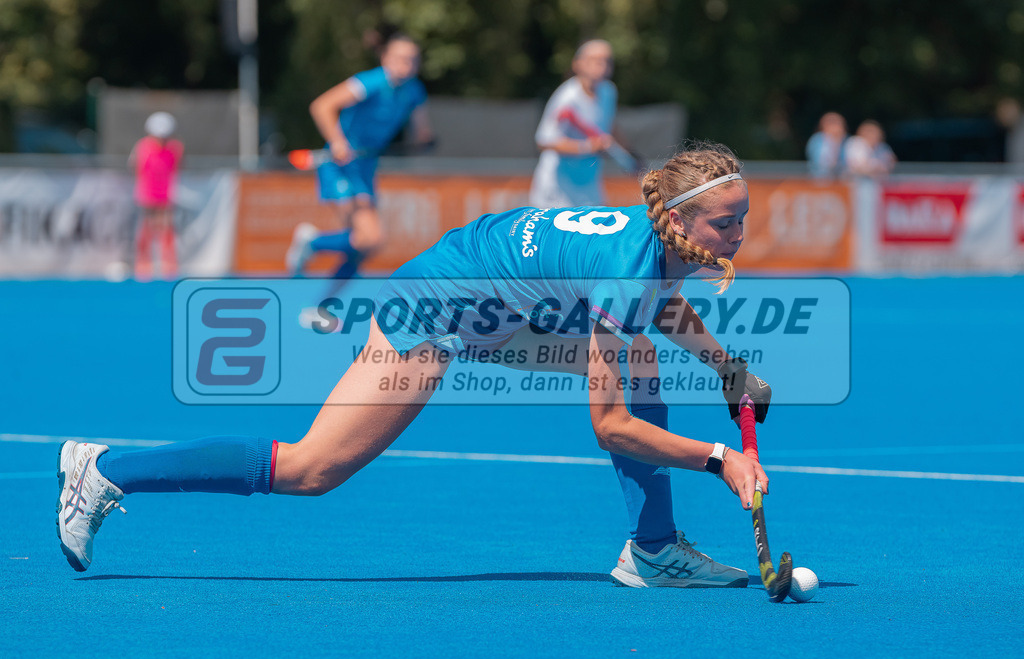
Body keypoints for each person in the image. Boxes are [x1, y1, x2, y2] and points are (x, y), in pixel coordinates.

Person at [57, 140, 773, 588]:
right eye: (725, 222)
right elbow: (611, 426)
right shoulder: (629, 266)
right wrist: (721, 459)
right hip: (431, 308)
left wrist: (724, 365)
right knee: (313, 469)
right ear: (679, 219)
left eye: (742, 217)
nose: (738, 233)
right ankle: (108, 469)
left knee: (640, 356)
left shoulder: (660, 243)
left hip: (502, 306)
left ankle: (650, 549)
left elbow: (662, 303)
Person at [286, 33, 434, 291]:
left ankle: (323, 307)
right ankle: (311, 242)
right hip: (340, 166)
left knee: (363, 246)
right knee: (370, 238)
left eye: (412, 60)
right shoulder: (371, 81)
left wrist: (424, 139)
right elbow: (322, 106)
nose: (406, 65)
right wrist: (338, 142)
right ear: (386, 58)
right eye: (400, 58)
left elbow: (422, 130)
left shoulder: (414, 91)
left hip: (365, 168)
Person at [529, 39, 626, 209]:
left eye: (607, 61)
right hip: (556, 191)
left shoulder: (609, 92)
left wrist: (629, 153)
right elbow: (545, 141)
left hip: (589, 188)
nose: (602, 66)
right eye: (596, 60)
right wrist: (588, 147)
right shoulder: (566, 98)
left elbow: (608, 125)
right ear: (578, 64)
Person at [130, 112, 183, 280]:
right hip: (146, 197)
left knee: (167, 231)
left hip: (166, 197)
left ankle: (169, 266)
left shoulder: (175, 149)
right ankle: (143, 265)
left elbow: (176, 168)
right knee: (146, 231)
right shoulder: (143, 147)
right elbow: (136, 168)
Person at [805, 111, 847, 178]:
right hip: (820, 179)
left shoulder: (847, 141)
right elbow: (819, 162)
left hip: (842, 180)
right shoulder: (816, 140)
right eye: (831, 123)